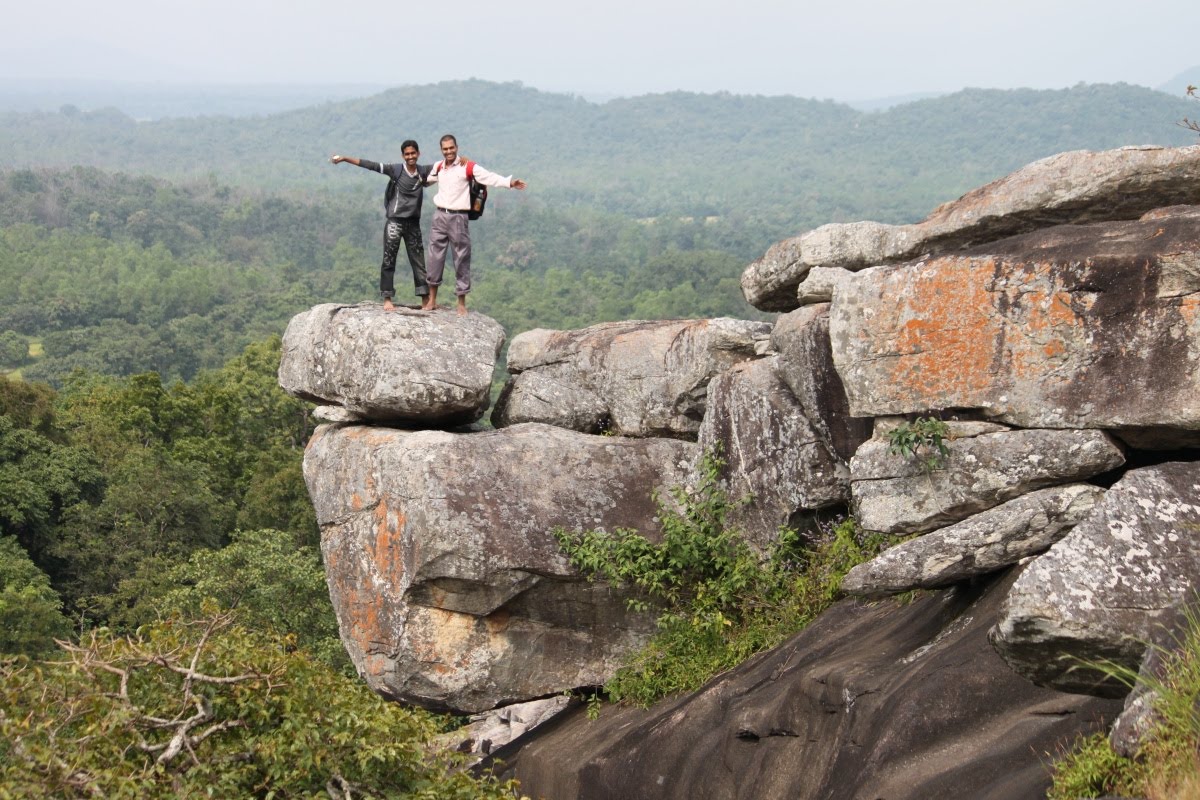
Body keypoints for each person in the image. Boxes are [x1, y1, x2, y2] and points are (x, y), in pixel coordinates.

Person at [423, 134, 527, 315]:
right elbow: (425, 181)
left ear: (456, 147)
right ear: (441, 150)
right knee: (434, 257)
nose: (448, 151)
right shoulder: (439, 167)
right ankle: (432, 299)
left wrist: (509, 183)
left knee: (461, 258)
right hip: (439, 215)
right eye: (445, 149)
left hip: (458, 217)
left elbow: (488, 177)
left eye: (451, 148)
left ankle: (461, 302)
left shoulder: (467, 166)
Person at [330, 141, 432, 311]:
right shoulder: (396, 170)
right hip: (395, 221)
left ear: (418, 153)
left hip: (413, 223)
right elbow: (371, 165)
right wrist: (345, 158)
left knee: (418, 261)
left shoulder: (423, 171)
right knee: (389, 259)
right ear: (403, 156)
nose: (410, 156)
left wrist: (463, 160)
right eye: (407, 154)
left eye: (413, 153)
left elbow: (446, 166)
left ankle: (425, 298)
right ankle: (387, 298)